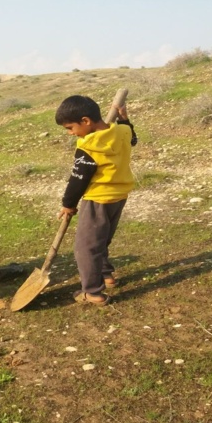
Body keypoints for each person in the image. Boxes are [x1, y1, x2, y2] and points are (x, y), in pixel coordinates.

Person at [55, 95, 138, 306]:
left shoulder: (89, 147)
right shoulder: (121, 132)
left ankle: (92, 292)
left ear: (85, 121)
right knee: (100, 240)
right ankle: (106, 275)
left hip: (97, 200)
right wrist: (124, 119)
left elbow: (78, 180)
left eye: (70, 127)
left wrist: (68, 204)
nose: (71, 133)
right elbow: (132, 139)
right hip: (118, 197)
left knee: (86, 247)